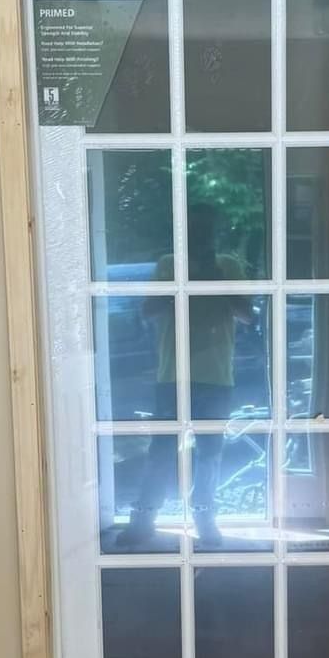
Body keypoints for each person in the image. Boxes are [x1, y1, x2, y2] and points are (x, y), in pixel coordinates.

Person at [123, 201, 251, 548]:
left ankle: (205, 518)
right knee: (162, 450)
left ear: (215, 233)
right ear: (184, 231)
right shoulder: (169, 264)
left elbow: (247, 314)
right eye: (195, 229)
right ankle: (144, 517)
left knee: (211, 452)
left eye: (206, 229)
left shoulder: (229, 266)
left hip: (216, 375)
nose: (200, 235)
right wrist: (181, 282)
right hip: (173, 374)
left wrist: (216, 276)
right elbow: (148, 310)